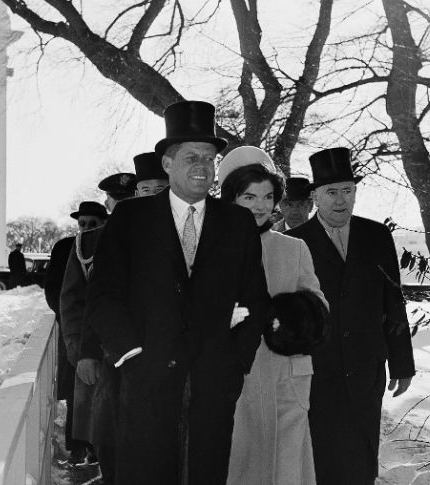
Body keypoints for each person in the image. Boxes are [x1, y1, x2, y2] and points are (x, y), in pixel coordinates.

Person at [80, 100, 270, 485]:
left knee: (204, 473)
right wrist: (130, 354)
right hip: (144, 382)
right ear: (167, 164)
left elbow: (254, 300)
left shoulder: (237, 223)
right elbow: (103, 296)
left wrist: (236, 362)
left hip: (213, 384)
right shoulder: (131, 219)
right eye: (190, 157)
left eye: (209, 158)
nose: (202, 166)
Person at [286, 147, 416, 485]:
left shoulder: (376, 236)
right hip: (315, 372)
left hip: (365, 368)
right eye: (331, 192)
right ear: (315, 197)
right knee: (320, 458)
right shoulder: (292, 243)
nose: (341, 200)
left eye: (347, 190)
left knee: (361, 455)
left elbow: (392, 300)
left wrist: (402, 362)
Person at [218, 147, 329, 485]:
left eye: (267, 196)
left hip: (286, 377)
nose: (260, 205)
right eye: (249, 196)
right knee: (236, 464)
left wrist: (286, 317)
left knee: (285, 469)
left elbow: (319, 306)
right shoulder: (211, 248)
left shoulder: (293, 247)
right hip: (233, 379)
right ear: (230, 198)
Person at [61, 168, 160, 482]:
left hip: (160, 356)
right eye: (145, 191)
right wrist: (81, 352)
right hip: (105, 355)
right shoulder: (90, 243)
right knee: (106, 433)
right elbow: (78, 302)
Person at [45, 201, 108, 466]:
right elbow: (55, 289)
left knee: (100, 395)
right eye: (82, 223)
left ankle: (96, 448)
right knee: (76, 392)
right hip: (75, 331)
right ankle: (78, 447)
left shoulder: (108, 243)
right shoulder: (67, 247)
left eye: (93, 223)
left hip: (103, 334)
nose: (86, 228)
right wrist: (68, 324)